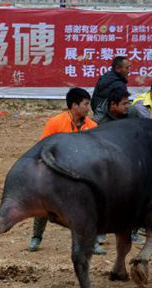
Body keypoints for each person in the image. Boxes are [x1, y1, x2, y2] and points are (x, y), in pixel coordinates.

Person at [29, 88, 101, 253]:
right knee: (44, 202)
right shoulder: (55, 122)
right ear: (74, 106)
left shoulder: (92, 125)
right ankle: (36, 237)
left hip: (82, 174)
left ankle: (93, 241)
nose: (88, 108)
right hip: (56, 171)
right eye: (86, 104)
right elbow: (43, 148)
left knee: (90, 205)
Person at [91, 55, 130, 120]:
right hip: (110, 118)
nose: (128, 71)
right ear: (118, 68)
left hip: (98, 115)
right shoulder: (119, 85)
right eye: (127, 68)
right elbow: (121, 108)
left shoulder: (105, 77)